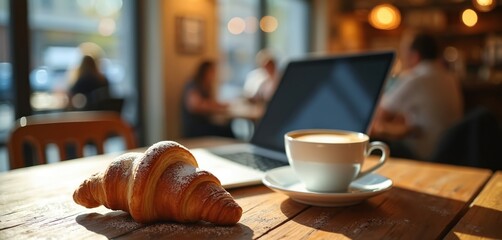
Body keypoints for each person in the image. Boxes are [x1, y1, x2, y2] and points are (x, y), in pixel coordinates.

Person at [370, 33, 464, 160]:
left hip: (423, 154)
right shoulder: (450, 78)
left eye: (405, 53)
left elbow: (379, 115)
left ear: (415, 55)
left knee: (374, 145)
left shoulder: (415, 78)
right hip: (452, 153)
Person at [181, 60, 234, 138]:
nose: (214, 75)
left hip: (203, 125)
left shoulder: (206, 86)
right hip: (195, 128)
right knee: (227, 131)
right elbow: (195, 106)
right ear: (205, 72)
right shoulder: (193, 84)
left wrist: (219, 106)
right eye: (212, 72)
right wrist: (216, 107)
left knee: (227, 126)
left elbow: (208, 103)